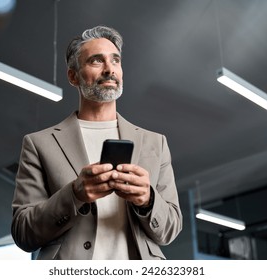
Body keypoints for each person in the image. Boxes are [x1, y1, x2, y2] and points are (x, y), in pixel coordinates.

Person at [11, 25, 182, 260]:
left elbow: (170, 230)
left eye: (115, 60)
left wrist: (148, 200)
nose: (109, 69)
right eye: (96, 61)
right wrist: (74, 194)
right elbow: (23, 232)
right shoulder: (38, 144)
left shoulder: (156, 143)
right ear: (73, 76)